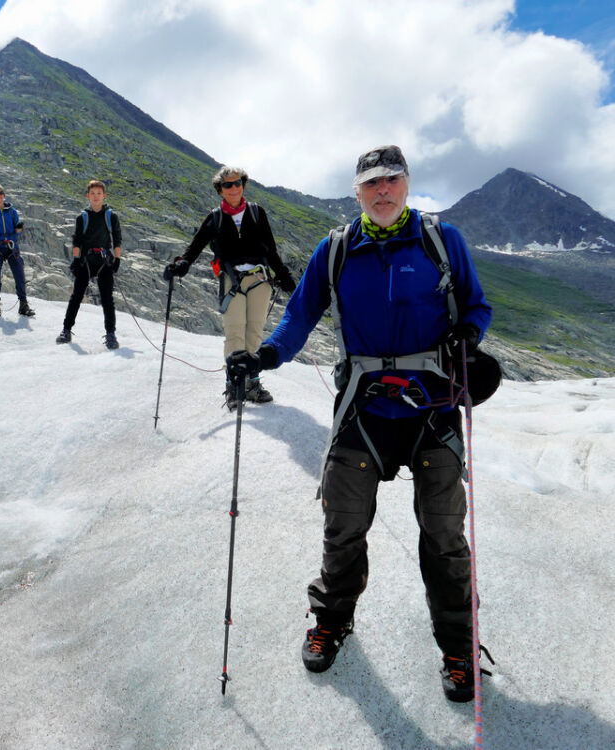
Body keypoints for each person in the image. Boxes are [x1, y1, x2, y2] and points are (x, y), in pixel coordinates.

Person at [226, 145, 493, 702]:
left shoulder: (443, 242)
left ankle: (458, 648)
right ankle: (332, 620)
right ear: (357, 193)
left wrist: (469, 337)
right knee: (342, 527)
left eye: (392, 179)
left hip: (432, 407)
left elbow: (476, 306)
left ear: (408, 182)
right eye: (371, 183)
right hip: (364, 408)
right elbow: (300, 315)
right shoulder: (338, 248)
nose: (383, 190)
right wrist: (268, 356)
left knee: (444, 538)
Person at [163, 166, 296, 408]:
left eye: (237, 183)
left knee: (254, 332)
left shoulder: (257, 212)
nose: (233, 188)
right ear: (220, 190)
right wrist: (182, 264)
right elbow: (195, 246)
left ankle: (251, 382)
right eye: (228, 185)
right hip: (231, 280)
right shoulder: (214, 217)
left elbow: (271, 249)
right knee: (235, 331)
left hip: (260, 279)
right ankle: (235, 385)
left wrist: (285, 276)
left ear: (243, 185)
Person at [57, 180, 123, 349]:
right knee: (77, 296)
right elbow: (77, 241)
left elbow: (117, 239)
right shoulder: (83, 217)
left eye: (98, 193)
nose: (95, 197)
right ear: (88, 195)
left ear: (104, 195)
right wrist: (76, 260)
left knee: (107, 299)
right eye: (92, 193)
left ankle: (111, 334)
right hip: (86, 261)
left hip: (104, 261)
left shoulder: (111, 216)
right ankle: (66, 329)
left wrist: (117, 260)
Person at [0, 184, 34, 317]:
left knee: (19, 275)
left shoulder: (12, 211)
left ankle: (23, 304)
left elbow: (16, 230)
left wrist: (18, 229)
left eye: (0, 193)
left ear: (4, 195)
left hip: (11, 246)